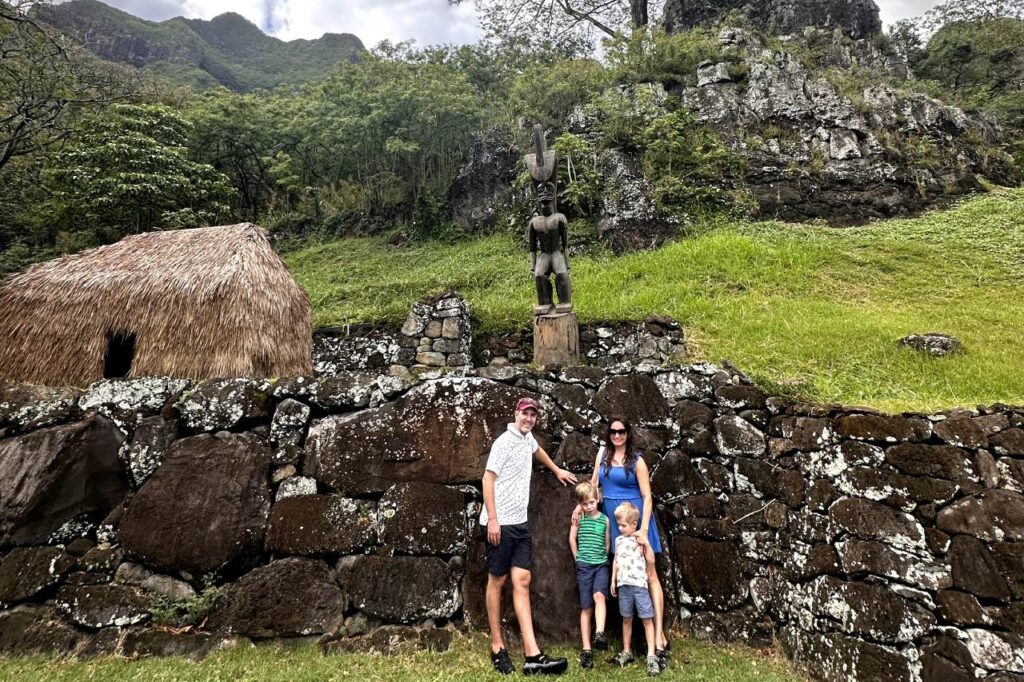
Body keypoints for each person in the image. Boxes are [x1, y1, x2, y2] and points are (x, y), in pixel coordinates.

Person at [481, 396, 577, 675]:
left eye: (533, 415)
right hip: (500, 524)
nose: (529, 419)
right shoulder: (504, 442)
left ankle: (533, 655)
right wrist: (494, 520)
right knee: (497, 581)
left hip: (520, 524)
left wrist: (556, 469)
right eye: (525, 414)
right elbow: (487, 479)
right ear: (516, 414)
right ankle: (497, 645)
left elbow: (538, 451)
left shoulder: (527, 439)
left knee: (522, 579)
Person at [572, 417, 670, 665]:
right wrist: (578, 508)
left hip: (634, 518)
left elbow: (648, 497)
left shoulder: (637, 461)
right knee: (623, 572)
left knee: (650, 575)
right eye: (613, 431)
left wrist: (644, 530)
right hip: (612, 520)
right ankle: (625, 635)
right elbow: (593, 486)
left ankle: (658, 634)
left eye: (621, 431)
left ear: (628, 433)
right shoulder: (602, 454)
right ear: (608, 434)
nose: (617, 435)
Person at [610, 502, 661, 677]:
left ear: (634, 524)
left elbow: (651, 560)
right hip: (623, 585)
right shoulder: (618, 540)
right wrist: (613, 580)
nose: (620, 528)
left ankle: (652, 655)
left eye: (623, 525)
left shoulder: (639, 540)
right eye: (618, 525)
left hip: (639, 586)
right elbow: (616, 560)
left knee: (647, 619)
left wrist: (646, 542)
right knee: (626, 619)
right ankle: (627, 651)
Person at [568, 481, 610, 669]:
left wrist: (604, 556)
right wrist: (577, 558)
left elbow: (607, 543)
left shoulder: (604, 520)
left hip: (601, 564)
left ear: (598, 499)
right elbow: (572, 538)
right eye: (585, 504)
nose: (589, 506)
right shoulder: (580, 518)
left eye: (592, 502)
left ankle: (599, 633)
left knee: (599, 596)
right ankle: (586, 650)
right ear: (580, 504)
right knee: (586, 607)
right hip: (584, 566)